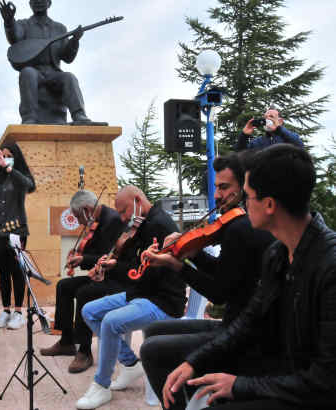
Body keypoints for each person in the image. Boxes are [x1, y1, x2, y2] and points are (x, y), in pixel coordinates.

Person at [163, 144, 336, 410]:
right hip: (284, 371)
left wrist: (239, 385)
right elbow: (250, 319)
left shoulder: (329, 265)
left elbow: (325, 379)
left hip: (311, 392)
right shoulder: (278, 252)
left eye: (248, 197)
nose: (243, 205)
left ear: (268, 205)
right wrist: (194, 361)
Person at [139, 153, 275, 408]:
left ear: (245, 188)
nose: (217, 195)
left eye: (224, 187)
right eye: (216, 187)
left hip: (240, 332)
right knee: (152, 330)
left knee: (151, 350)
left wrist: (177, 265)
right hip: (235, 320)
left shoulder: (241, 229)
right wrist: (195, 251)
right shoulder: (240, 227)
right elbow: (225, 272)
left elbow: (219, 293)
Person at [75, 185, 186, 410]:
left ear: (137, 200)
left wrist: (116, 271)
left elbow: (146, 274)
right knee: (89, 310)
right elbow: (135, 267)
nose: (124, 218)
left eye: (124, 211)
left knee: (111, 322)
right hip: (142, 292)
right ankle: (130, 363)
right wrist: (112, 265)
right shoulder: (142, 225)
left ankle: (101, 386)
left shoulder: (159, 225)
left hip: (163, 300)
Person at [39, 190, 126, 373]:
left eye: (78, 216)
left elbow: (104, 257)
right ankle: (66, 341)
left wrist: (83, 259)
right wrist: (81, 257)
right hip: (101, 274)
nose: (78, 221)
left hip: (115, 277)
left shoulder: (112, 221)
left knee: (84, 293)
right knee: (64, 285)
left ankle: (85, 351)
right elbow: (95, 256)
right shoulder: (97, 220)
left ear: (87, 209)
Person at [0, 0, 92, 124]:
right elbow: (14, 39)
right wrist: (9, 22)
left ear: (49, 3)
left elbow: (67, 58)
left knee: (69, 77)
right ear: (30, 3)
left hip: (54, 73)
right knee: (27, 73)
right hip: (34, 71)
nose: (38, 1)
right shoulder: (23, 25)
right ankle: (29, 117)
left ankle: (79, 115)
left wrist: (74, 41)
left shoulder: (59, 29)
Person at [0, 142, 35, 330]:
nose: (5, 157)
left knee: (17, 271)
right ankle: (5, 310)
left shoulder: (18, 176)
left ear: (15, 157)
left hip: (16, 230)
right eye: (3, 154)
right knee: (3, 270)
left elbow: (29, 186)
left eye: (9, 155)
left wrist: (9, 168)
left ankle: (18, 312)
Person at [233, 106, 303, 151]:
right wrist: (244, 135)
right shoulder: (258, 142)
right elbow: (241, 153)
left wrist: (278, 129)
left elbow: (299, 145)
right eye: (265, 117)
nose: (267, 119)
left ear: (280, 121)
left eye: (271, 117)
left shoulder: (288, 138)